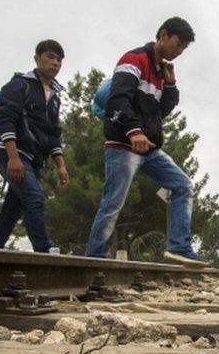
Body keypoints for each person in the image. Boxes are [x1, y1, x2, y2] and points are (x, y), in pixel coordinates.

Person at [85, 17, 207, 267]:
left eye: (184, 48)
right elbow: (118, 100)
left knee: (182, 185)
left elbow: (159, 111)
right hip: (123, 144)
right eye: (178, 44)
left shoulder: (161, 72)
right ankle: (95, 257)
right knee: (113, 201)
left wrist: (171, 84)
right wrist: (133, 132)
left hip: (149, 148)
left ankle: (179, 247)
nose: (180, 51)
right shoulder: (134, 59)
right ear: (163, 35)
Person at [0, 40, 70, 253]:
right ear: (37, 58)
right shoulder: (19, 85)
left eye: (59, 60)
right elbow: (7, 120)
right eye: (50, 57)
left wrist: (60, 165)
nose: (55, 63)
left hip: (34, 158)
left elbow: (53, 133)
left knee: (12, 210)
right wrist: (13, 158)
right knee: (34, 197)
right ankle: (43, 249)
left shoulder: (54, 96)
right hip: (12, 153)